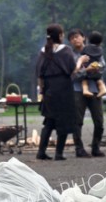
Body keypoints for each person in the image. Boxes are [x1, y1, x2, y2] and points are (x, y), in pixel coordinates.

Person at [36, 24, 89, 161]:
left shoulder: (43, 51)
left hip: (48, 90)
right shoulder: (65, 50)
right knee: (64, 121)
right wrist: (81, 61)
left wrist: (42, 91)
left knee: (48, 121)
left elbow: (40, 75)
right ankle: (58, 153)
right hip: (64, 89)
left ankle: (41, 152)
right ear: (60, 36)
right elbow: (73, 70)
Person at [68, 28, 106, 158]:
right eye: (72, 38)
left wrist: (95, 69)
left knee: (99, 120)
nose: (75, 39)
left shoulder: (95, 50)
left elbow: (103, 67)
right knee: (77, 121)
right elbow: (72, 76)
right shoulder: (70, 56)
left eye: (77, 36)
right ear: (70, 41)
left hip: (95, 89)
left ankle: (95, 147)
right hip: (77, 90)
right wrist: (87, 71)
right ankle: (79, 149)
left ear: (83, 38)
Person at [81, 31, 106, 98]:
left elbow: (82, 55)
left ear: (88, 39)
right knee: (98, 79)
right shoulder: (100, 49)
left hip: (88, 67)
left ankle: (85, 90)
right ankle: (103, 89)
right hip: (96, 66)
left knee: (84, 79)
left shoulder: (86, 48)